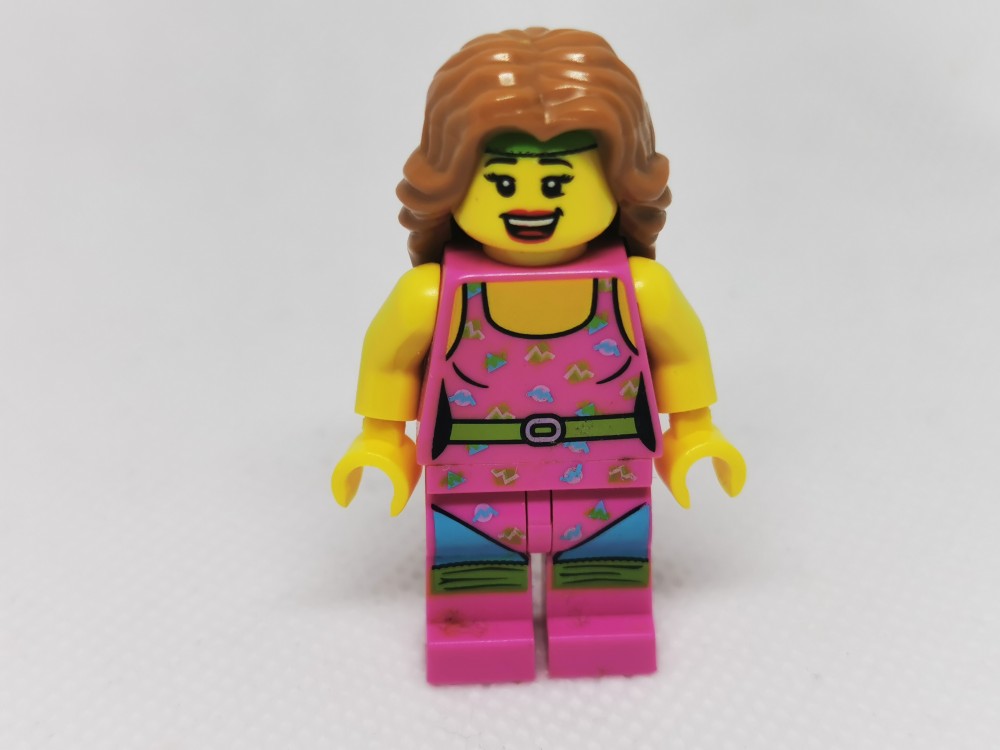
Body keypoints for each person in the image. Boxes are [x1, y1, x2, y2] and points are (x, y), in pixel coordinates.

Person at [332, 28, 745, 685]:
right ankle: (476, 631)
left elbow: (677, 359)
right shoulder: (433, 296)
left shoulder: (639, 289)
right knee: (476, 577)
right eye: (501, 180)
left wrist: (694, 433)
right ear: (452, 179)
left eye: (558, 182)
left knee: (605, 577)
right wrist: (380, 441)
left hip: (608, 474)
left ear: (618, 181)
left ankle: (602, 626)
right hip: (471, 476)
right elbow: (389, 364)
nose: (530, 204)